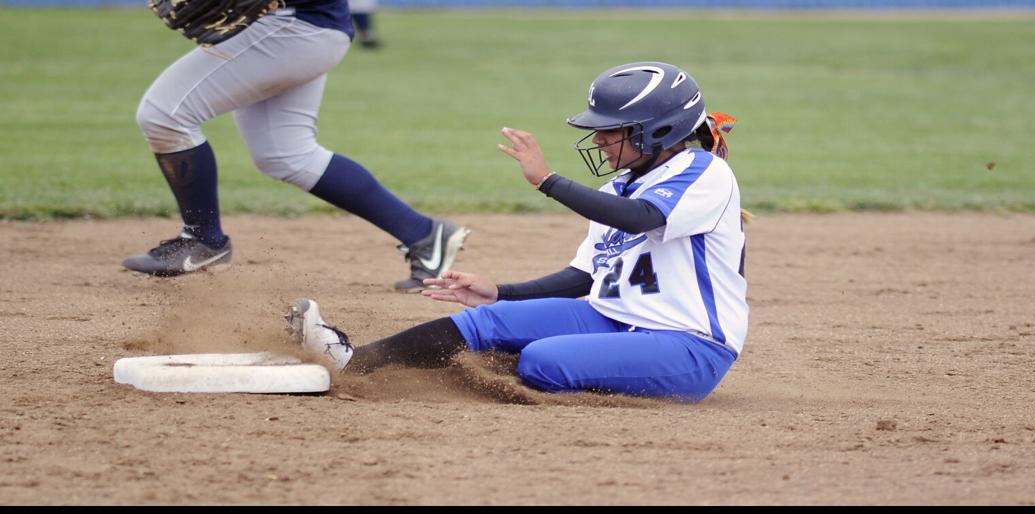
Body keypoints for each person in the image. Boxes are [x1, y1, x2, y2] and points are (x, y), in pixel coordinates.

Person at [288, 61, 748, 404]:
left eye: (613, 131)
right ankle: (353, 362)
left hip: (688, 347)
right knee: (486, 321)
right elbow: (585, 276)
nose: (600, 140)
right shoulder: (618, 187)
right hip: (614, 317)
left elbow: (641, 217)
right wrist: (500, 293)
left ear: (657, 131)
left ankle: (477, 379)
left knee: (543, 360)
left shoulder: (704, 173)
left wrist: (548, 181)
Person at [128, 1, 468, 291]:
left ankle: (203, 238)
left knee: (164, 115)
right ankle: (423, 234)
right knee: (286, 154)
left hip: (293, 27)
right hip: (301, 27)